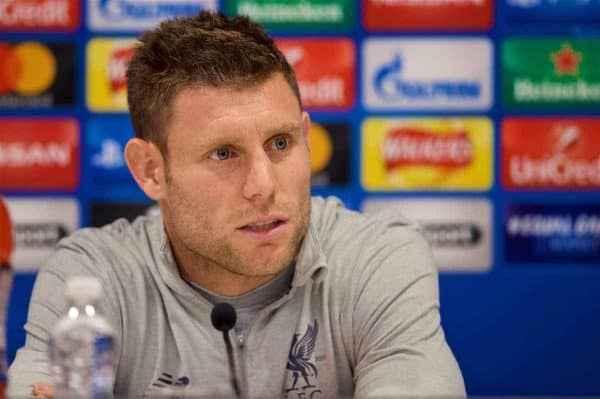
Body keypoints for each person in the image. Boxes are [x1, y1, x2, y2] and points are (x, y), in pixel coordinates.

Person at [8, 11, 465, 399]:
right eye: (223, 154)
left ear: (307, 139)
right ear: (150, 170)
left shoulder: (379, 259)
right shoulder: (89, 282)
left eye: (281, 143)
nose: (263, 186)